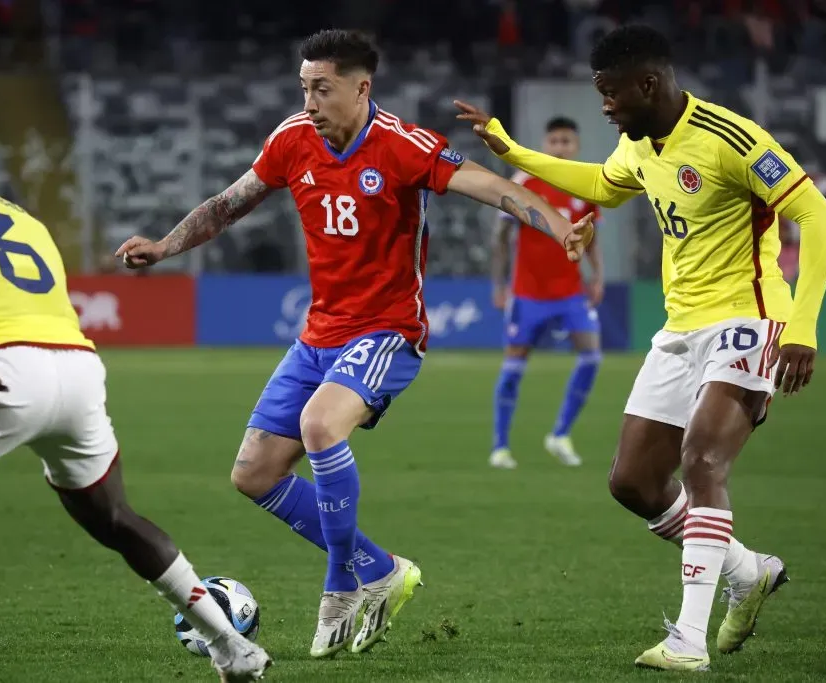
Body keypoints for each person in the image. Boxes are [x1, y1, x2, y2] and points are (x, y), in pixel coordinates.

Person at [117, 29, 594, 659]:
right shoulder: (292, 139)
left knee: (320, 426)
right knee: (254, 473)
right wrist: (165, 245)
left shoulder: (402, 146)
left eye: (322, 88)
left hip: (389, 331)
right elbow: (228, 204)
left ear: (361, 87)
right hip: (319, 335)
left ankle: (340, 583)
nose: (309, 100)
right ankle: (381, 569)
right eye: (303, 87)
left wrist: (559, 225)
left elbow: (486, 184)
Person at [0, 113, 270, 683]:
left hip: (1, 368)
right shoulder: (22, 218)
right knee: (114, 517)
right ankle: (230, 645)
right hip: (79, 371)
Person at [456, 24, 826, 672]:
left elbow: (818, 217)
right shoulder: (639, 147)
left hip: (750, 316)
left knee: (701, 460)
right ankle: (747, 572)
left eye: (610, 94)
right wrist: (512, 150)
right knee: (632, 481)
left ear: (648, 84)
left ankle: (688, 638)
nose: (604, 106)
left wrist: (802, 325)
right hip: (680, 327)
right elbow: (602, 184)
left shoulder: (732, 139)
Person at [489, 116, 605, 470]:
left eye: (566, 141)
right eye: (554, 141)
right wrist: (499, 284)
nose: (560, 147)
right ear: (545, 144)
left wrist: (597, 275)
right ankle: (501, 447)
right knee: (513, 367)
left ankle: (560, 435)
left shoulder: (585, 186)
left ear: (577, 146)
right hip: (527, 294)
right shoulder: (525, 182)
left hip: (570, 292)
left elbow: (591, 238)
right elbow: (501, 237)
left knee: (592, 357)